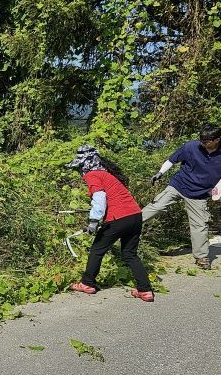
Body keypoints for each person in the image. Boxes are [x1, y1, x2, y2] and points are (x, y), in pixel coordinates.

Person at [66, 145, 154, 302]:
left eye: (79, 167)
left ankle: (87, 283)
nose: (79, 171)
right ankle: (145, 290)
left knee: (97, 250)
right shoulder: (107, 175)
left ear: (85, 164)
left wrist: (93, 222)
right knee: (129, 254)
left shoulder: (93, 175)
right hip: (135, 216)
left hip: (118, 218)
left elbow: (99, 198)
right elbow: (112, 199)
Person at [144, 125, 221, 270]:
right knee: (156, 206)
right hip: (178, 185)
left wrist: (218, 190)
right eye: (201, 139)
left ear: (217, 139)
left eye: (206, 141)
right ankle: (125, 226)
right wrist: (160, 173)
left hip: (199, 194)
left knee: (200, 225)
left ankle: (201, 257)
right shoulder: (191, 146)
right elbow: (172, 160)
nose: (202, 143)